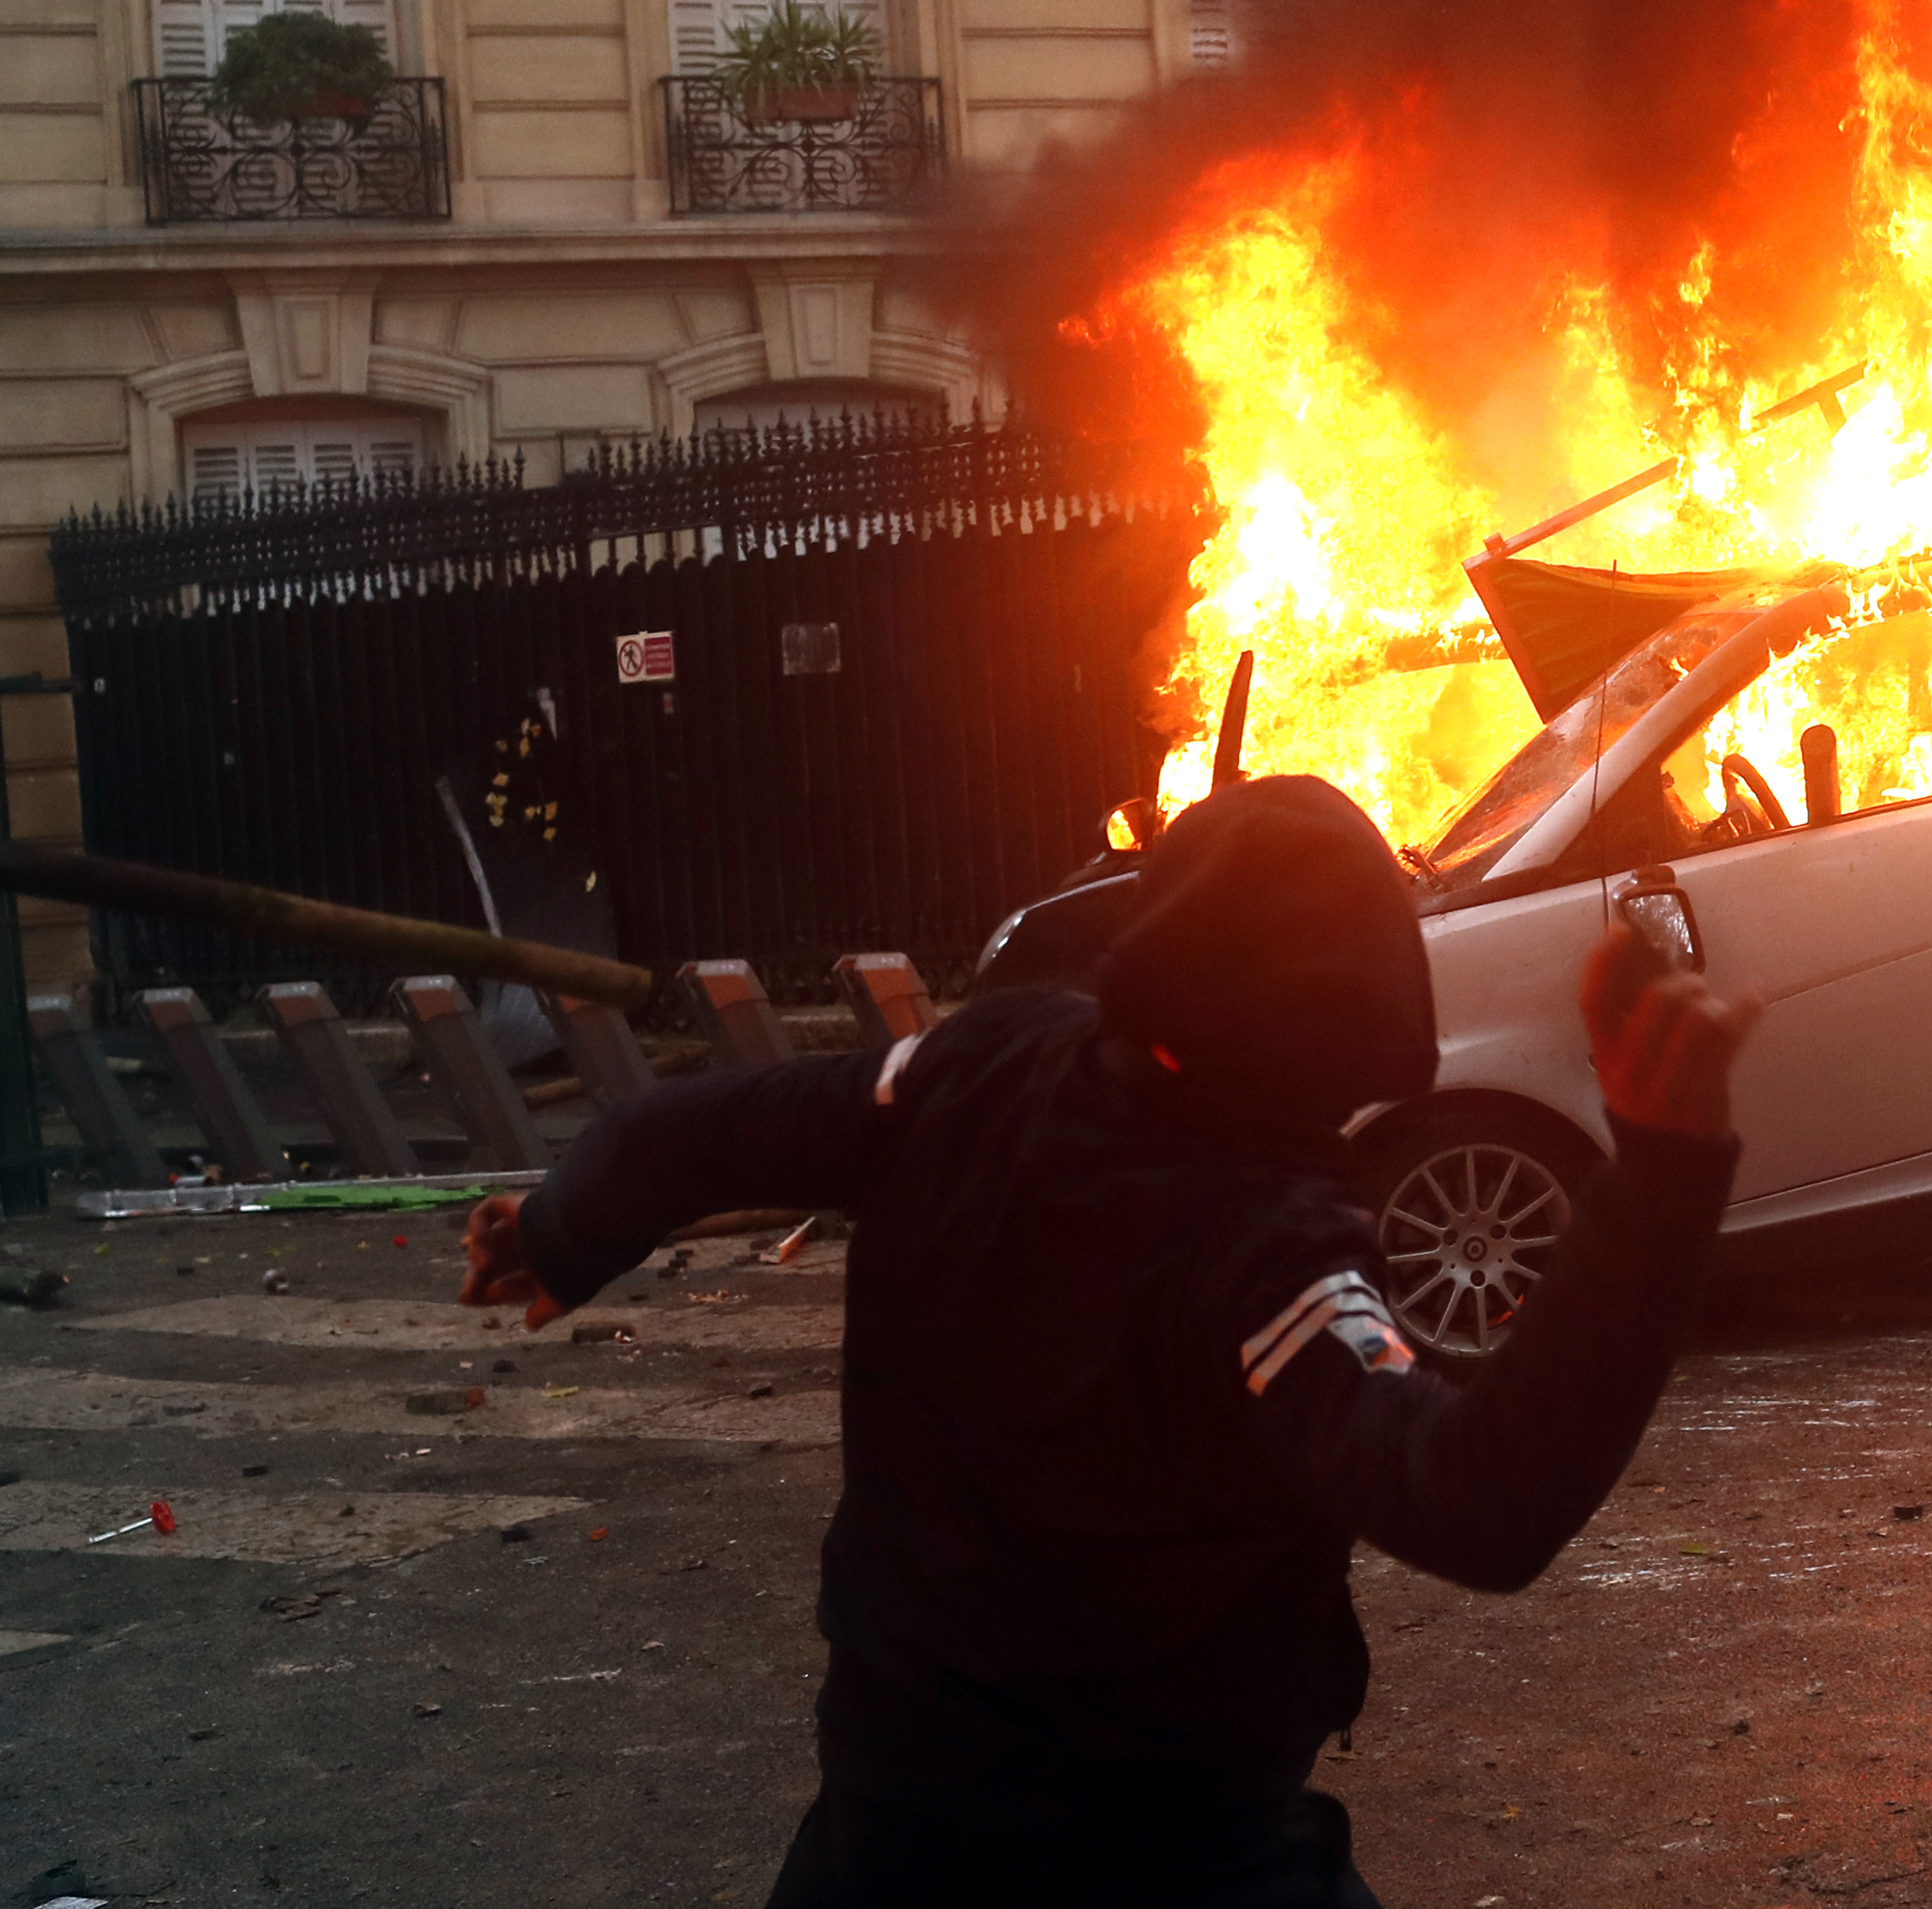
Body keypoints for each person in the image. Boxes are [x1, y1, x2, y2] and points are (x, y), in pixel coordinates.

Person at [458, 774, 1761, 1907]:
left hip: (892, 1806)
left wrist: (562, 1230)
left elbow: (687, 1132)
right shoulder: (1265, 1252)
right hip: (1165, 1848)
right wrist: (1661, 1169)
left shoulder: (976, 1065)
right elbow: (1481, 1499)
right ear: (1373, 1012)